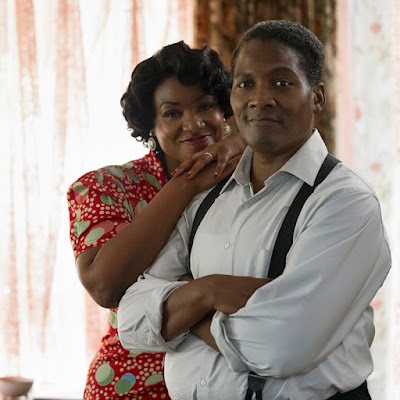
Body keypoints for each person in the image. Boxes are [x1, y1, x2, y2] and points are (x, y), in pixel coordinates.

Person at [117, 20, 391, 400]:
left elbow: (281, 347)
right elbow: (131, 320)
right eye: (245, 84)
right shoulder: (205, 197)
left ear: (317, 97)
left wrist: (182, 307)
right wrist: (211, 291)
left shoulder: (344, 202)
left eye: (281, 82)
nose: (260, 99)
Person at [66, 41, 245, 400]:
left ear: (224, 111)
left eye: (206, 106)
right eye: (172, 113)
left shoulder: (252, 181)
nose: (193, 124)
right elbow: (106, 287)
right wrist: (188, 182)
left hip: (230, 382)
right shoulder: (107, 187)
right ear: (150, 124)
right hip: (133, 384)